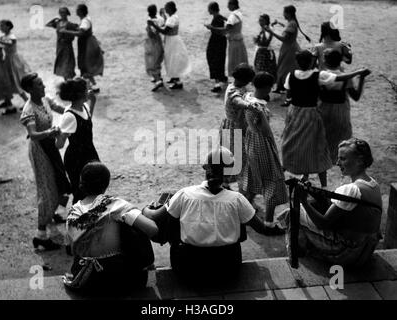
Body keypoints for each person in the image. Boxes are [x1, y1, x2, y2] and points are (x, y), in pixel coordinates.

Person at [142, 147, 267, 282]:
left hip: (187, 269)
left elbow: (162, 223)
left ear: (205, 167)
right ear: (230, 174)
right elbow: (261, 228)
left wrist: (145, 210)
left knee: (175, 214)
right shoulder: (237, 199)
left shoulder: (184, 194)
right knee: (238, 217)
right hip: (229, 270)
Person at [282, 138, 383, 268]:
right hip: (365, 251)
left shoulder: (351, 189)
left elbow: (323, 223)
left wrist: (303, 201)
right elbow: (337, 207)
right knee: (312, 207)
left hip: (346, 253)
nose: (337, 163)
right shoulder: (373, 185)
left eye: (343, 159)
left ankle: (297, 257)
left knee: (292, 213)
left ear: (359, 161)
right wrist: (312, 191)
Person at [63, 162, 158, 292]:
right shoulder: (115, 205)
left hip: (85, 280)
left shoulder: (73, 212)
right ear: (106, 184)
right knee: (131, 225)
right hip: (118, 279)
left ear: (81, 183)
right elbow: (152, 229)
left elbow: (71, 249)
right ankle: (147, 267)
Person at [281, 50, 370, 188]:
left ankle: (287, 173)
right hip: (316, 113)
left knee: (296, 143)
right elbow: (341, 80)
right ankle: (324, 185)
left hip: (300, 112)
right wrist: (358, 73)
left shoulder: (293, 75)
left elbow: (289, 95)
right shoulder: (320, 75)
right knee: (319, 147)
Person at [20, 73, 71, 251]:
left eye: (42, 83)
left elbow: (61, 108)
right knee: (46, 188)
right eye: (39, 84)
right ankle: (40, 235)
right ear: (30, 89)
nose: (43, 86)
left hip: (49, 146)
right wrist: (51, 132)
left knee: (61, 180)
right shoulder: (28, 109)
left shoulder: (45, 99)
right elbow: (33, 135)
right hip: (39, 150)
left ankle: (55, 212)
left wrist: (75, 110)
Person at [241, 72, 288, 235]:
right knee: (272, 184)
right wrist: (275, 153)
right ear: (267, 88)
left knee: (253, 179)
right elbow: (267, 133)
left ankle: (244, 215)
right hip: (262, 144)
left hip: (251, 141)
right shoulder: (260, 108)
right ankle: (268, 223)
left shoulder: (247, 97)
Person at [318, 49, 370, 163]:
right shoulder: (346, 77)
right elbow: (356, 96)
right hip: (341, 111)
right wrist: (361, 78)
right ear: (340, 61)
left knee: (322, 137)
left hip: (323, 109)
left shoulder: (321, 74)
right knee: (341, 139)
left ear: (325, 61)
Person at [56, 78, 100, 204]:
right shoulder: (69, 116)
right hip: (76, 160)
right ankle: (77, 219)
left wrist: (93, 100)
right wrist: (58, 133)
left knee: (94, 190)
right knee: (81, 194)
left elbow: (88, 119)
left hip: (89, 154)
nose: (89, 90)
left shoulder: (84, 107)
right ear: (81, 94)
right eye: (87, 89)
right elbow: (59, 145)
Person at [220, 63, 256, 186]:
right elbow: (238, 100)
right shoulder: (233, 91)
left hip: (233, 126)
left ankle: (227, 181)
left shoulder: (233, 86)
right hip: (234, 128)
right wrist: (249, 105)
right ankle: (227, 182)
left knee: (231, 155)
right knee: (235, 156)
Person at [265, 5, 310, 96]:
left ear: (288, 14)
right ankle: (281, 87)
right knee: (285, 68)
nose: (283, 14)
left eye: (284, 12)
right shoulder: (292, 22)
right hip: (290, 47)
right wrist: (278, 24)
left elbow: (284, 39)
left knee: (284, 69)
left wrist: (271, 32)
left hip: (289, 49)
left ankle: (282, 88)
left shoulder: (292, 24)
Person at [60, 4, 104, 92]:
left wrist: (66, 31)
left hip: (86, 45)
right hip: (86, 44)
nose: (75, 11)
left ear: (80, 11)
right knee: (84, 66)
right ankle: (93, 86)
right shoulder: (85, 20)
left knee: (84, 66)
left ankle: (90, 87)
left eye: (77, 9)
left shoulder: (85, 21)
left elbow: (80, 33)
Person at [148, 1, 191, 89]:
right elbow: (166, 24)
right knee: (171, 59)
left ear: (170, 9)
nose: (165, 8)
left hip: (172, 41)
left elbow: (164, 31)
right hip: (172, 40)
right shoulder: (173, 17)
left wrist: (153, 25)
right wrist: (163, 16)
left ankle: (177, 82)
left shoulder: (172, 18)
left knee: (173, 60)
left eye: (166, 7)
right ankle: (174, 78)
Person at [0, 20, 30, 115]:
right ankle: (9, 102)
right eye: (0, 26)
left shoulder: (12, 37)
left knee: (16, 81)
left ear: (8, 26)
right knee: (8, 81)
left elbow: (10, 43)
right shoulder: (2, 37)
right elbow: (1, 45)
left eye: (2, 26)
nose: (0, 28)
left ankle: (27, 102)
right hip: (7, 61)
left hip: (14, 61)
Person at [205, 0, 248, 77]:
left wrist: (211, 27)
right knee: (238, 59)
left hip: (234, 41)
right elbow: (230, 22)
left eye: (229, 5)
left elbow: (225, 29)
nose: (227, 7)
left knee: (233, 61)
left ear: (233, 5)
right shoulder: (238, 13)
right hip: (238, 39)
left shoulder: (232, 16)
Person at [46, 7, 77, 80]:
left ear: (67, 14)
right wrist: (55, 19)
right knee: (61, 62)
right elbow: (48, 24)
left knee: (68, 62)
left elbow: (74, 34)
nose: (62, 14)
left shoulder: (70, 24)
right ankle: (66, 80)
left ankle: (69, 79)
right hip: (59, 46)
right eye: (61, 12)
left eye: (64, 12)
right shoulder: (58, 23)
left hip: (67, 46)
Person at [204, 2, 227, 93]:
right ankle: (222, 77)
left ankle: (217, 83)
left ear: (212, 9)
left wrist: (210, 27)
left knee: (213, 59)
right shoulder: (219, 17)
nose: (208, 10)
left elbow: (219, 31)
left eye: (209, 9)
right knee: (220, 59)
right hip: (221, 41)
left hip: (216, 41)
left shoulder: (217, 18)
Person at [144, 4, 165, 92]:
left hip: (152, 43)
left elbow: (152, 34)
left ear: (149, 12)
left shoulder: (150, 21)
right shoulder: (160, 19)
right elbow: (163, 23)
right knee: (157, 60)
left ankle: (158, 80)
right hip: (159, 41)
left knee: (151, 62)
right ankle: (158, 77)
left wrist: (149, 26)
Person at [253, 14, 277, 83]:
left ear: (266, 21)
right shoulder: (267, 28)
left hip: (264, 52)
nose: (260, 22)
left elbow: (265, 43)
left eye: (262, 20)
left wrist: (257, 40)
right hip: (262, 51)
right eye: (259, 20)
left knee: (263, 69)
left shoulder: (267, 30)